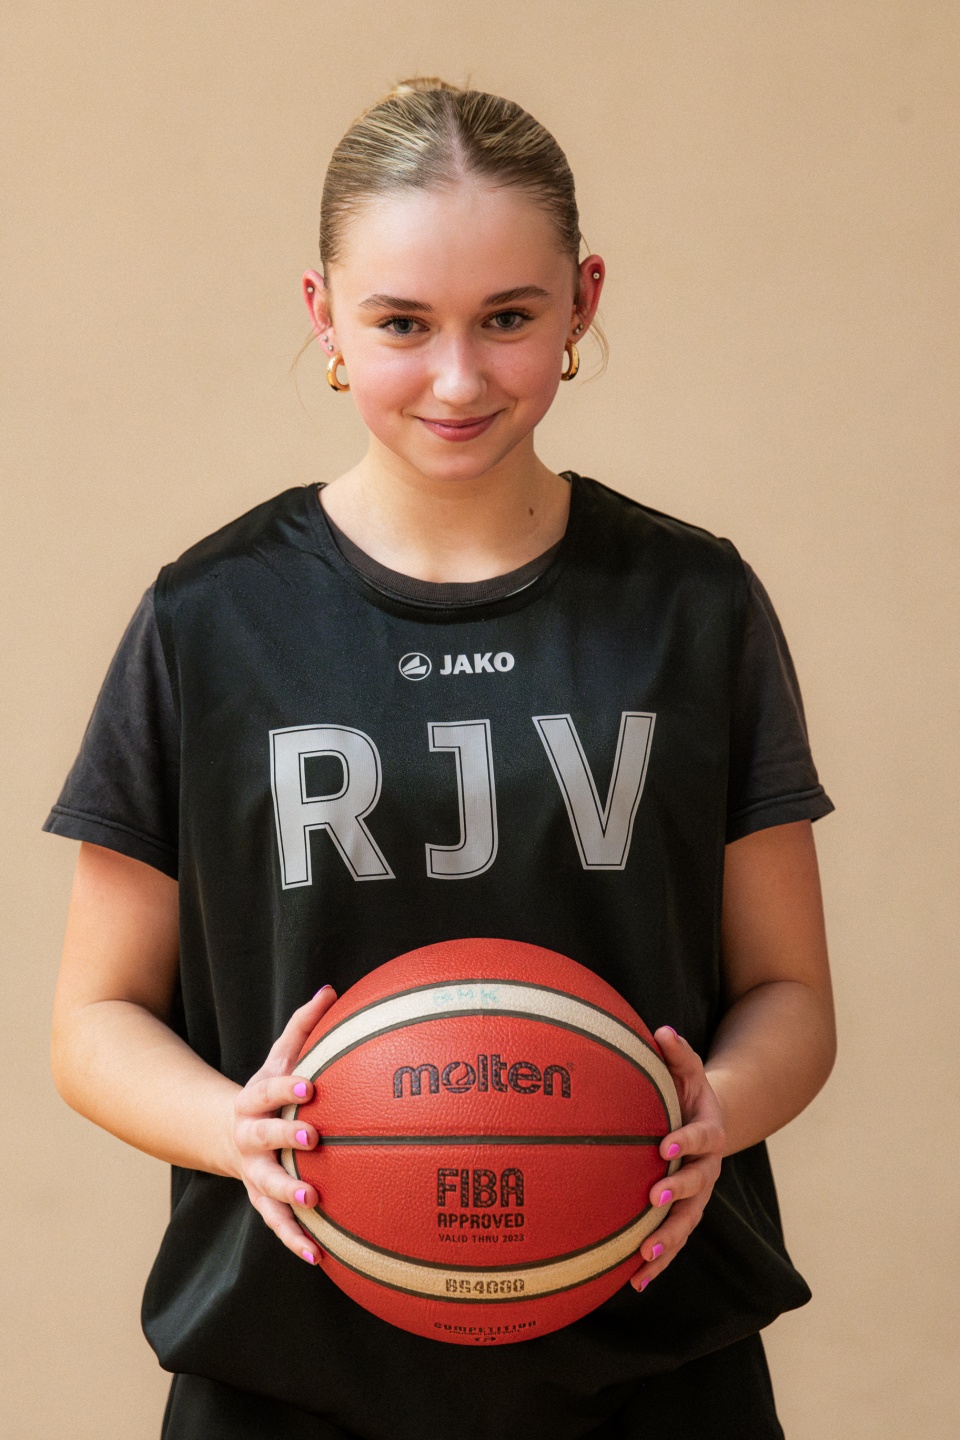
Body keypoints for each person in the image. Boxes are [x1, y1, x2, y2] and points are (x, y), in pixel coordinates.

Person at [46, 77, 837, 1440]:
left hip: (647, 1365)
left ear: (583, 301)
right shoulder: (212, 619)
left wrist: (714, 1110)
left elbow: (791, 994)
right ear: (324, 315)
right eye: (403, 323)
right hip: (292, 1376)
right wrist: (237, 1128)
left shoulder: (691, 605)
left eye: (509, 318)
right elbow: (94, 1020)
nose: (459, 378)